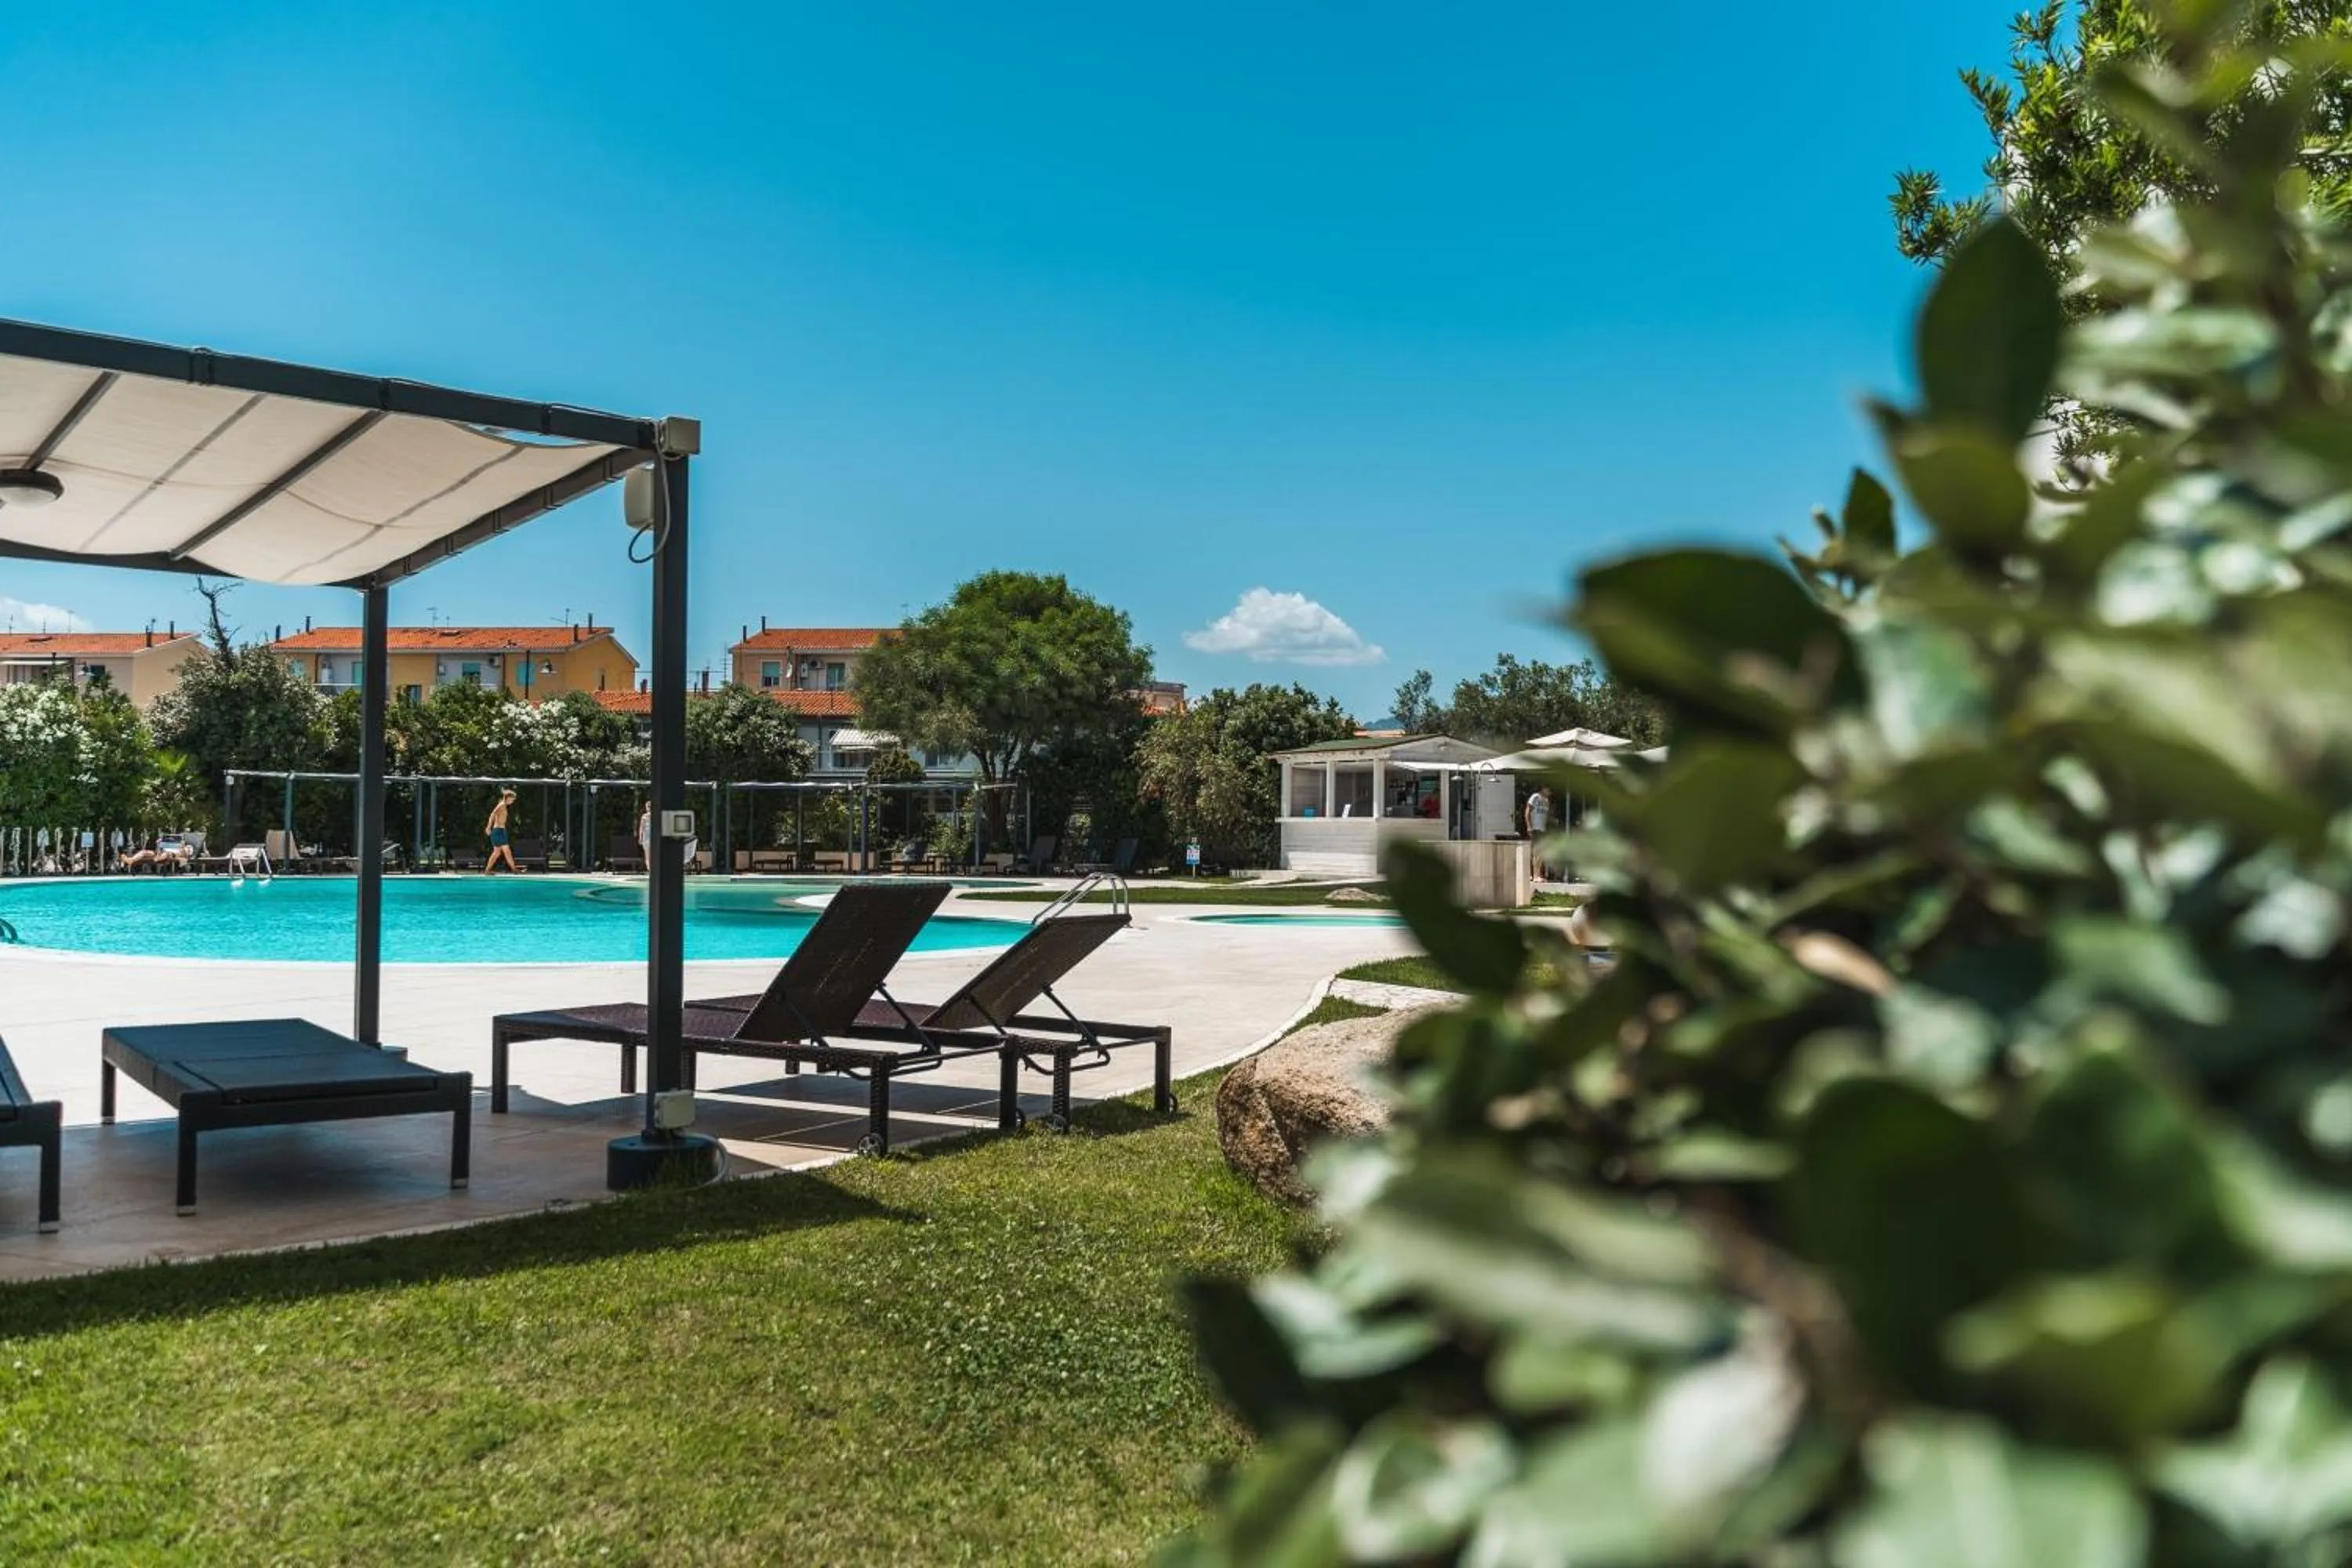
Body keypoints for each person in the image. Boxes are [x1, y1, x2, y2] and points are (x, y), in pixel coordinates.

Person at [485, 789, 520, 874]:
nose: (512, 801)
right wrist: (488, 827)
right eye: (512, 799)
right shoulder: (501, 805)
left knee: (497, 853)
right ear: (507, 798)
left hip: (501, 831)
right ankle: (514, 870)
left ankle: (487, 871)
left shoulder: (504, 806)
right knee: (506, 851)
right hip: (498, 831)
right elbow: (492, 814)